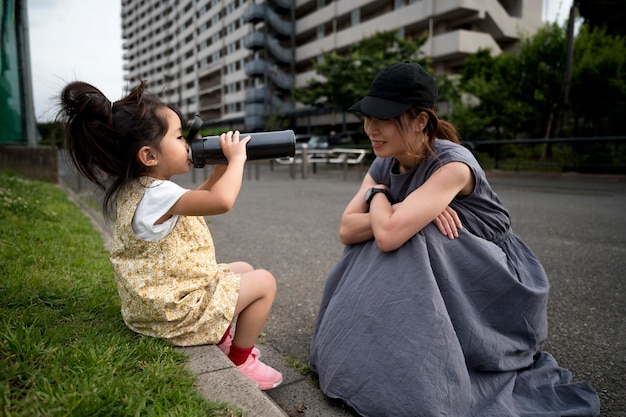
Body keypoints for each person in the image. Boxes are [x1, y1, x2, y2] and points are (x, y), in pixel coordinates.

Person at [309, 63, 600, 416]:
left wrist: (382, 201)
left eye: (383, 118)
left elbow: (386, 234)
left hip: (495, 276)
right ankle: (372, 353)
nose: (371, 129)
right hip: (451, 262)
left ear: (420, 121)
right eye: (368, 117)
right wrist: (388, 200)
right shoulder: (384, 161)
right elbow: (347, 229)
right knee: (405, 231)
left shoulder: (453, 166)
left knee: (414, 236)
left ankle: (421, 370)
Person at [58, 81, 282, 390]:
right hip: (172, 314)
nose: (188, 144)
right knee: (264, 282)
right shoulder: (156, 194)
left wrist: (220, 169)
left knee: (242, 268)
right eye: (179, 137)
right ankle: (241, 360)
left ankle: (220, 338)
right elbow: (221, 202)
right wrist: (239, 159)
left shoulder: (142, 189)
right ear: (149, 156)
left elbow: (196, 202)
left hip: (160, 302)